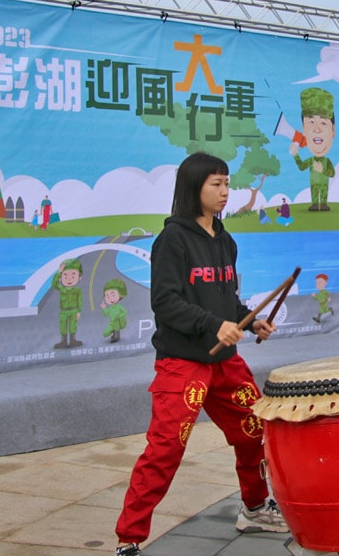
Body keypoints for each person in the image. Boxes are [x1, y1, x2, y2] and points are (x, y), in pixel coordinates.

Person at [115, 153, 285, 556]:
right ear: (194, 188)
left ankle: (256, 508)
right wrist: (213, 324)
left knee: (255, 431)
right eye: (217, 184)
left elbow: (224, 298)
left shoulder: (225, 240)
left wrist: (246, 319)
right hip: (182, 362)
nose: (226, 192)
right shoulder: (172, 240)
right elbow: (165, 303)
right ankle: (129, 539)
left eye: (227, 183)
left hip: (224, 362)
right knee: (166, 448)